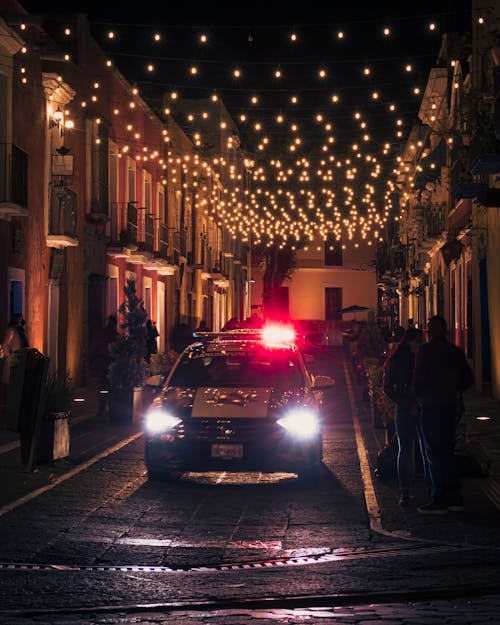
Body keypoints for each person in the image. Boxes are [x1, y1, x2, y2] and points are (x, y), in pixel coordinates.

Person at [413, 315, 474, 515]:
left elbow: (418, 382)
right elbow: (468, 379)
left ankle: (438, 498)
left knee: (434, 454)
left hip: (431, 407)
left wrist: (419, 398)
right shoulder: (455, 352)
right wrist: (454, 392)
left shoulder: (425, 352)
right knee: (448, 451)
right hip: (450, 407)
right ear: (446, 331)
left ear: (429, 332)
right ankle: (455, 498)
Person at [382, 327, 430, 506]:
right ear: (409, 342)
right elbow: (388, 387)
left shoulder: (423, 359)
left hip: (421, 407)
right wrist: (407, 404)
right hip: (405, 409)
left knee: (426, 450)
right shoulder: (397, 360)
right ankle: (405, 491)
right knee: (405, 451)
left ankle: (430, 490)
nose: (420, 345)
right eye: (418, 342)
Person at [87, 315, 118, 416]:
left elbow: (94, 348)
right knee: (112, 387)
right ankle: (111, 407)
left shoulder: (100, 334)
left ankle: (101, 408)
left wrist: (90, 360)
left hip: (102, 364)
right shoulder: (115, 335)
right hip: (112, 365)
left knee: (102, 387)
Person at [0, 313, 29, 418]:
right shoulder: (11, 331)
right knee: (9, 383)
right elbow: (5, 345)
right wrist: (10, 357)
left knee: (18, 384)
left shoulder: (21, 332)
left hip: (20, 361)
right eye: (19, 319)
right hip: (13, 361)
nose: (21, 321)